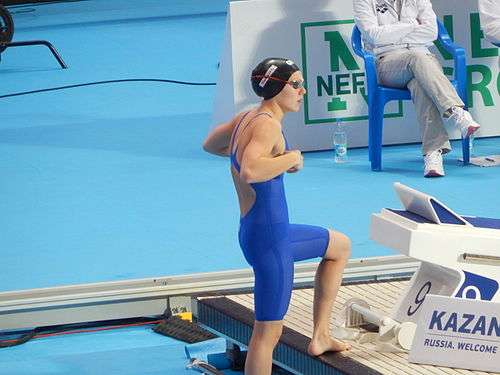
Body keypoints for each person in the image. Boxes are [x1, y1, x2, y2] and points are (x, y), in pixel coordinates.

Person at [203, 58, 351, 375]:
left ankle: (321, 335)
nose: (303, 91)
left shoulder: (248, 118)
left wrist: (250, 152)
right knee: (267, 333)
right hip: (271, 242)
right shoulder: (267, 125)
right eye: (296, 85)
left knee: (339, 246)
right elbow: (251, 170)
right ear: (276, 88)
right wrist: (289, 158)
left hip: (264, 232)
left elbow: (211, 143)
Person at [354, 0, 481, 177]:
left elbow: (431, 31)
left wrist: (393, 34)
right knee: (417, 58)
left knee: (420, 83)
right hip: (387, 64)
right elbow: (374, 35)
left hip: (424, 62)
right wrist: (412, 25)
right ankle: (457, 112)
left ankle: (433, 154)